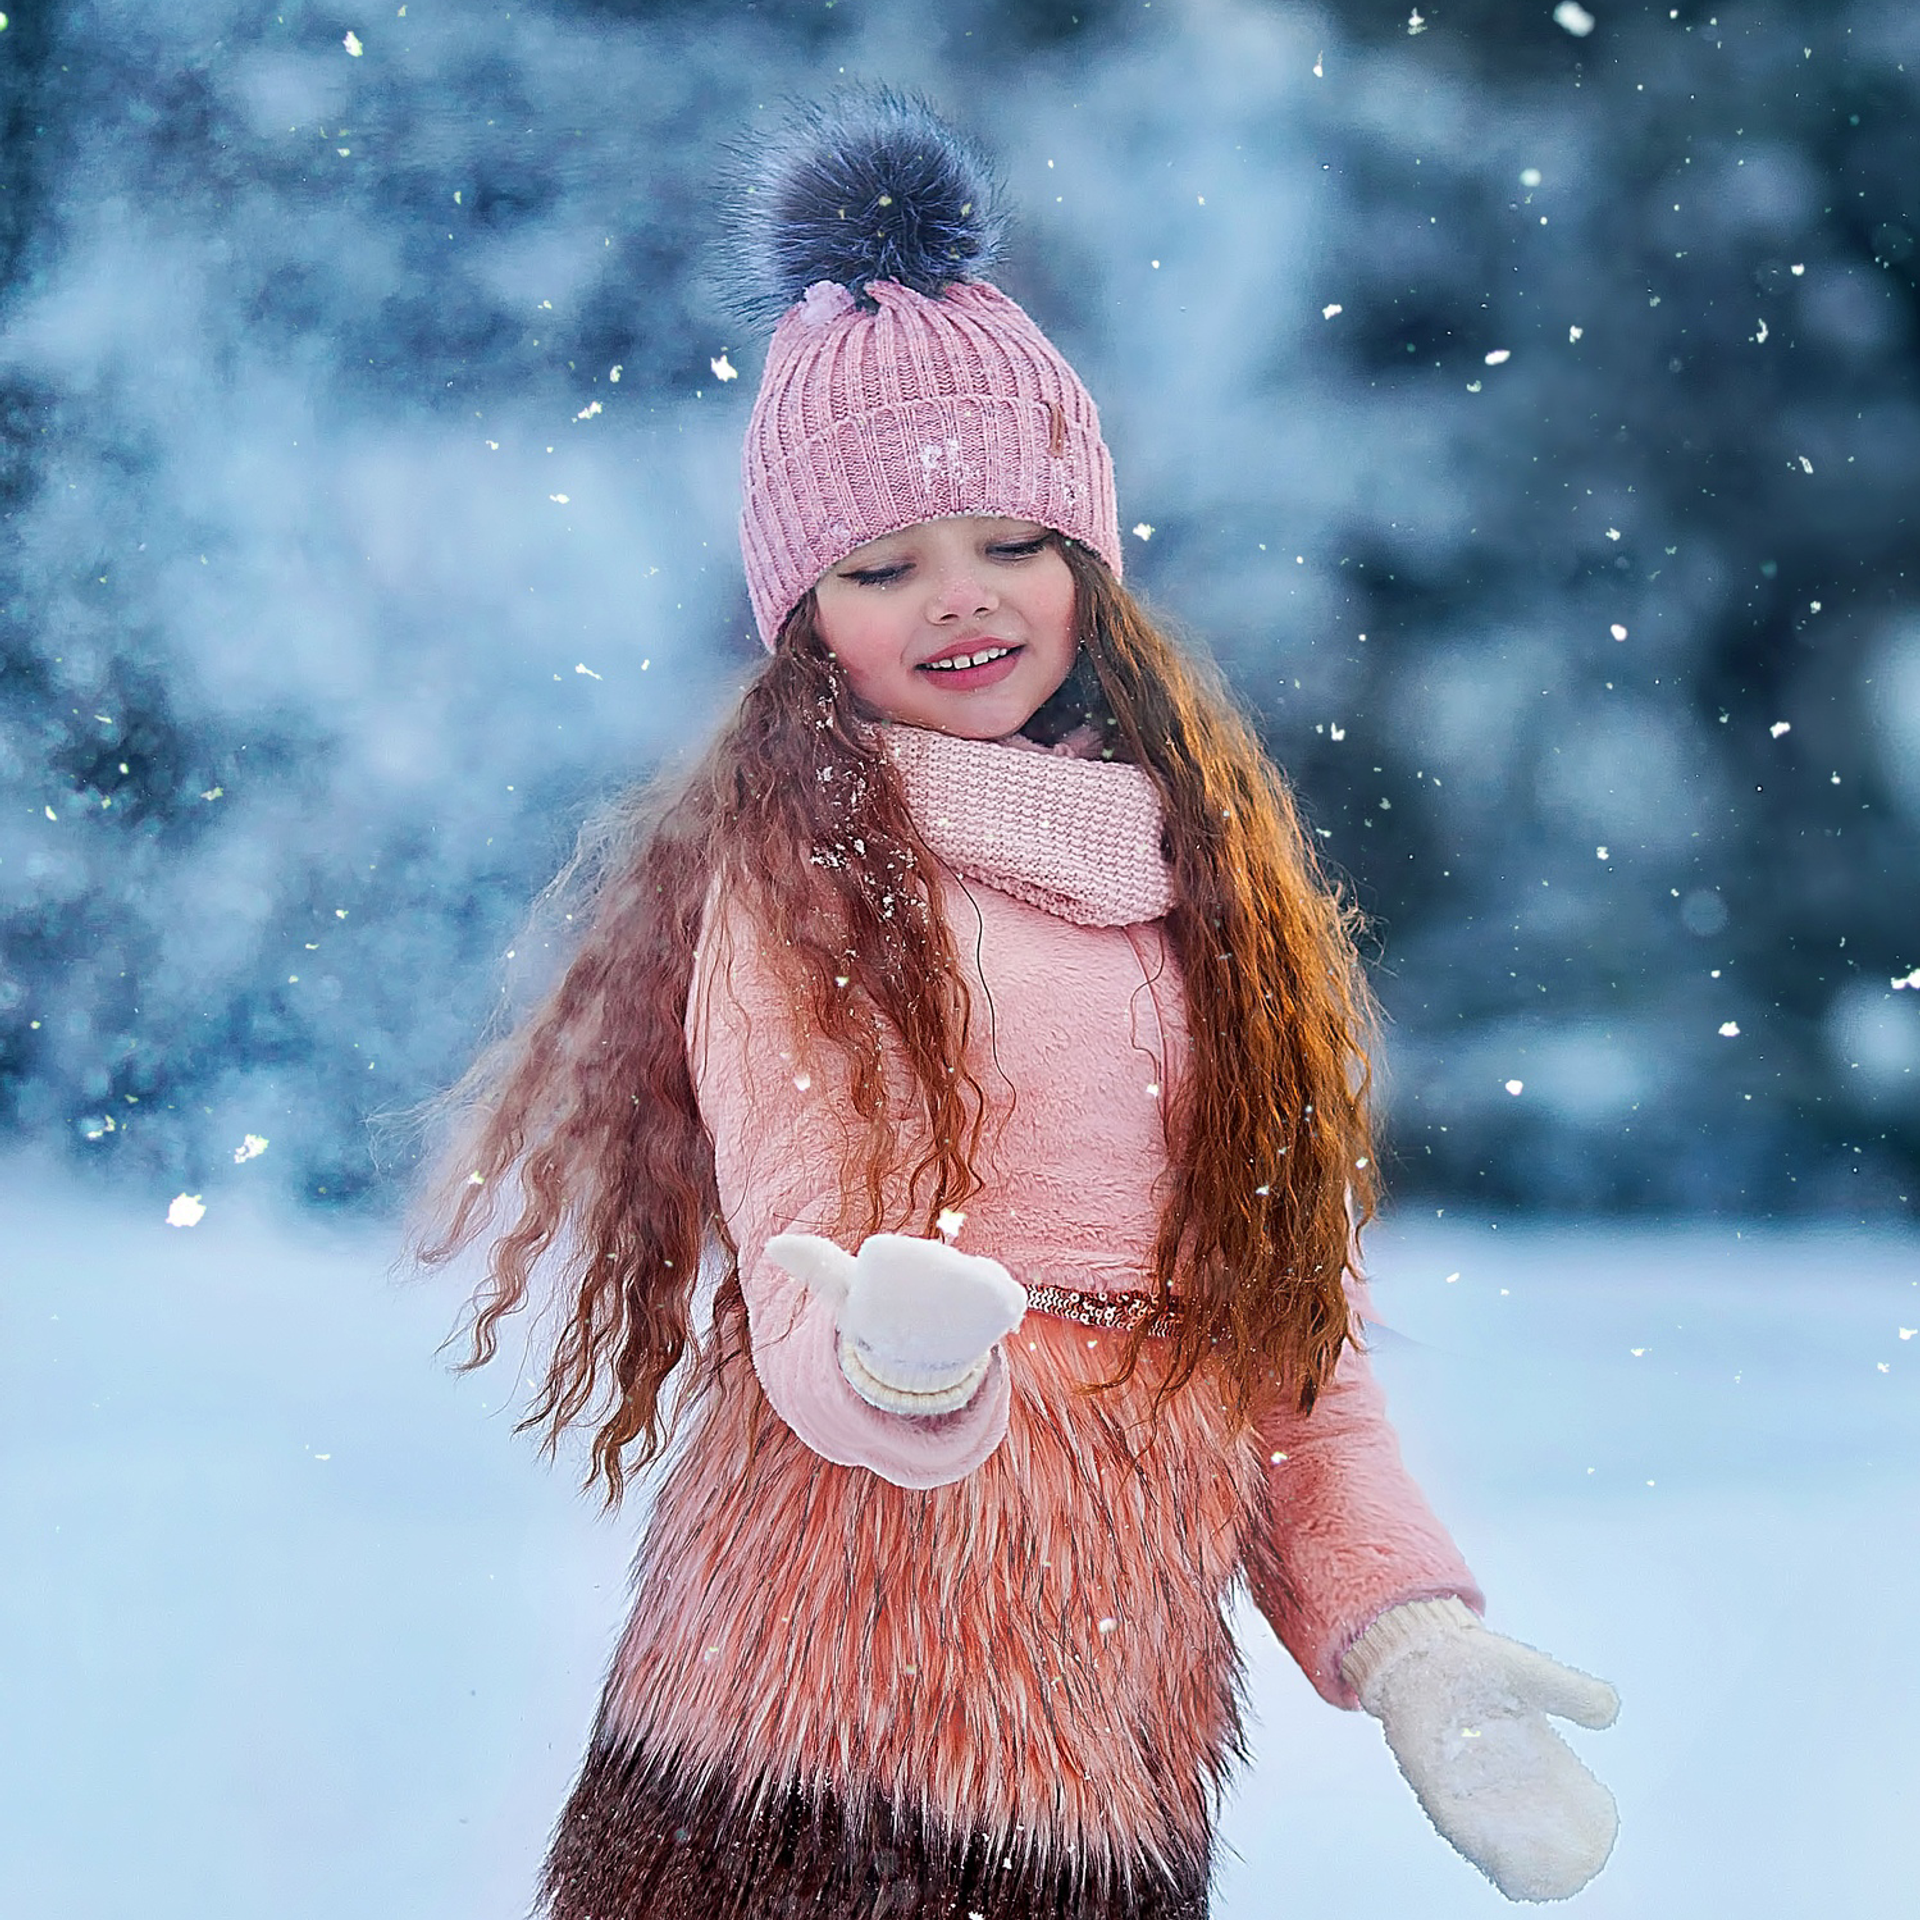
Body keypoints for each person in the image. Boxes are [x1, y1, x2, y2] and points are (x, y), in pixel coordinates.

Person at [416, 92, 1620, 1920]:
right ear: (806, 613)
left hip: (1112, 1720)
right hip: (804, 1715)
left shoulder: (1201, 890)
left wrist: (1415, 1646)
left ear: (1089, 560)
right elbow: (811, 1260)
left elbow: (1294, 1348)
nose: (957, 601)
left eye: (1007, 541)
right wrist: (906, 1355)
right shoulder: (807, 880)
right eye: (882, 566)